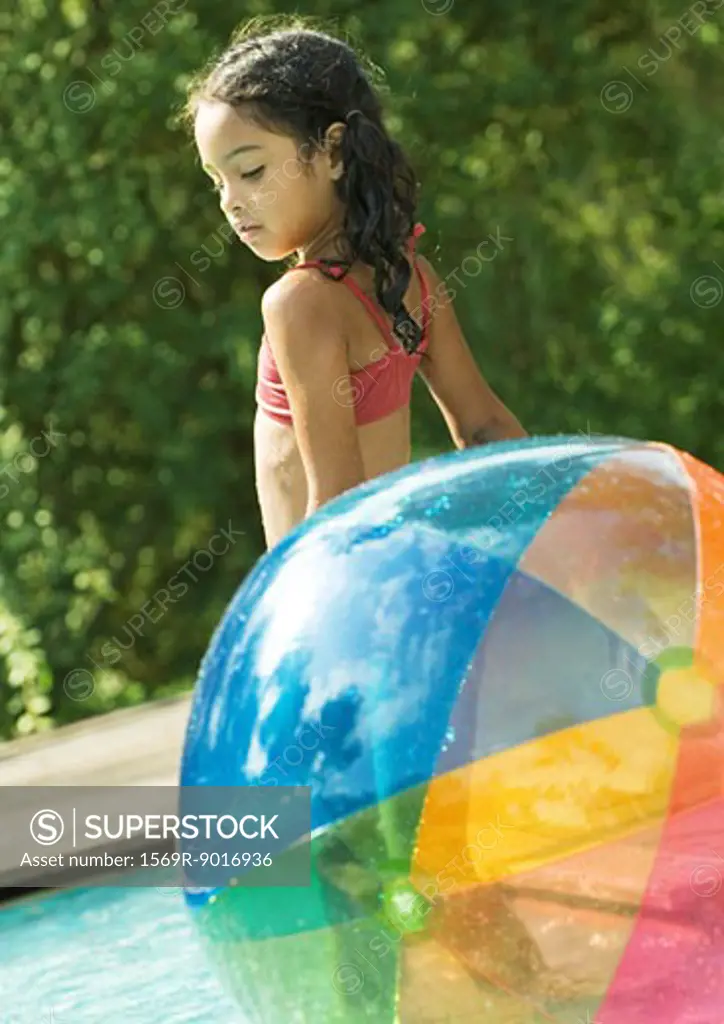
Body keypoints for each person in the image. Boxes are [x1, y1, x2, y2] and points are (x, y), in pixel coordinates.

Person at [185, 20, 526, 550]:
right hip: (380, 577)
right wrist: (567, 521)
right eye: (217, 181)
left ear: (334, 152)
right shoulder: (408, 276)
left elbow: (334, 510)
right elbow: (485, 429)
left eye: (251, 172)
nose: (229, 200)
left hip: (326, 592)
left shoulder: (299, 303)